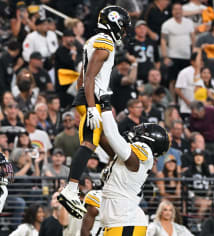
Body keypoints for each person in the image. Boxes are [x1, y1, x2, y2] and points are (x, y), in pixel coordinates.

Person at [58, 5, 131, 218]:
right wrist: (91, 107)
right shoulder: (104, 41)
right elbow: (88, 77)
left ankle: (109, 179)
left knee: (109, 145)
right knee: (89, 143)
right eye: (122, 27)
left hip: (90, 97)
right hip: (94, 99)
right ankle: (71, 189)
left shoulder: (94, 40)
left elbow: (82, 77)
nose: (124, 31)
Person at [92, 94, 170, 235]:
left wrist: (105, 107)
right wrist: (90, 109)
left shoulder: (143, 153)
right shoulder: (125, 157)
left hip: (125, 221)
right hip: (116, 220)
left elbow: (112, 134)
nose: (136, 130)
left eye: (142, 131)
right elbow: (101, 136)